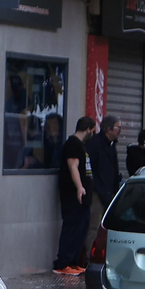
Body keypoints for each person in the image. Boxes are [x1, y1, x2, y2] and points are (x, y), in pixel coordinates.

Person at [53, 116, 97, 276]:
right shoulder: (72, 144)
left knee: (81, 228)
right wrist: (79, 188)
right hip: (73, 196)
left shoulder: (81, 146)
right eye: (93, 131)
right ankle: (62, 262)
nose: (93, 134)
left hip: (83, 198)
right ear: (88, 129)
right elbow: (73, 167)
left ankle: (73, 262)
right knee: (71, 228)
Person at [84, 115, 122, 250]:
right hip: (97, 191)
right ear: (108, 129)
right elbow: (91, 170)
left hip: (109, 192)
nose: (120, 131)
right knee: (94, 226)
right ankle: (89, 258)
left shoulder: (112, 145)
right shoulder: (96, 144)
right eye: (118, 127)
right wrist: (97, 188)